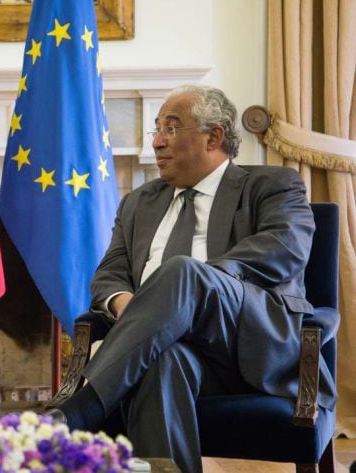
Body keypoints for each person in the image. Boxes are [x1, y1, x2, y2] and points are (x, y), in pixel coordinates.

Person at [48, 85, 336, 473]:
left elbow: (283, 250)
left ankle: (79, 408)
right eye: (157, 128)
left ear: (214, 136)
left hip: (246, 344)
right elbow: (109, 274)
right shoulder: (139, 202)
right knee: (161, 362)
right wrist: (137, 309)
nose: (156, 141)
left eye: (171, 127)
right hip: (161, 346)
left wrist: (189, 290)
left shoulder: (272, 185)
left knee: (182, 271)